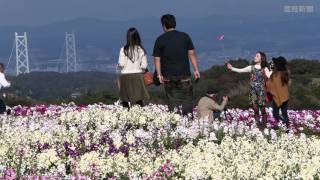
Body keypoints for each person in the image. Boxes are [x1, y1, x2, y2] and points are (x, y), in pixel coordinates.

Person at [153, 14, 200, 115]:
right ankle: (188, 122)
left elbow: (157, 59)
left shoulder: (160, 39)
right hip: (185, 76)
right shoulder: (185, 36)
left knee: (172, 103)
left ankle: (176, 124)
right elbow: (191, 53)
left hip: (168, 78)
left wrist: (159, 74)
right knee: (187, 100)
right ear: (174, 23)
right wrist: (196, 70)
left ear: (164, 25)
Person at [227, 52, 272, 127]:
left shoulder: (265, 68)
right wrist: (232, 68)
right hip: (253, 91)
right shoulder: (251, 67)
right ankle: (258, 125)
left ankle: (264, 126)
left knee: (263, 110)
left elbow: (269, 76)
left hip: (261, 91)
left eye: (257, 56)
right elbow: (240, 70)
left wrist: (273, 70)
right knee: (255, 109)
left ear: (261, 58)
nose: (255, 57)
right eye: (255, 56)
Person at [118, 27, 149, 108]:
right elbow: (144, 66)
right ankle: (138, 117)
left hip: (125, 76)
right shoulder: (141, 49)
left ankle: (126, 116)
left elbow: (121, 64)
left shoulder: (123, 49)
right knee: (138, 99)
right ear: (137, 37)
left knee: (125, 99)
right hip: (138, 76)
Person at [266, 56, 290, 128]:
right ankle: (286, 127)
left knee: (275, 114)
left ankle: (281, 125)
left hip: (276, 97)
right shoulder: (285, 74)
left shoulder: (275, 75)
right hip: (285, 97)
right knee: (284, 113)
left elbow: (269, 84)